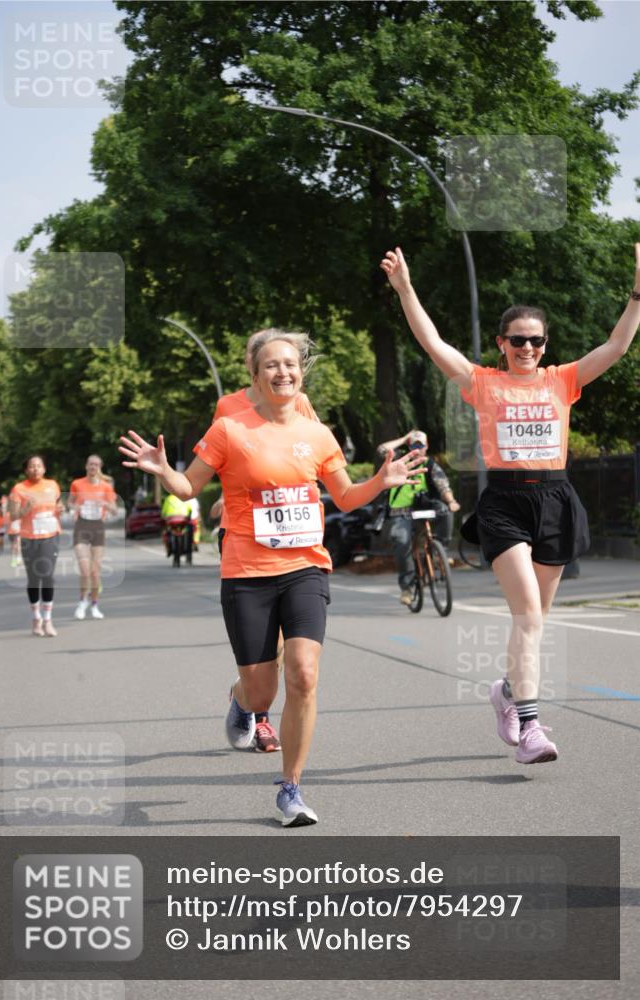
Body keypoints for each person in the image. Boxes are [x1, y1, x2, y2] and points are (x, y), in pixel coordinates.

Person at [119, 329, 422, 826]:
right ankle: (241, 702)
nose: (283, 372)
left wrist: (379, 482)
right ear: (255, 377)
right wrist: (163, 471)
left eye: (290, 364)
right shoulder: (230, 428)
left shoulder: (317, 434)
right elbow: (189, 486)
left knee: (303, 673)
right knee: (262, 693)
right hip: (246, 570)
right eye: (271, 366)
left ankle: (291, 788)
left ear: (300, 371)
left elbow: (344, 497)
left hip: (305, 566)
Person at [381, 243, 640, 765]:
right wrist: (405, 288)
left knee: (535, 620)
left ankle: (505, 690)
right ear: (502, 343)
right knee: (527, 616)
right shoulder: (483, 382)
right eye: (518, 340)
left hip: (555, 498)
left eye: (536, 341)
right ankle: (530, 728)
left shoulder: (563, 380)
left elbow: (615, 346)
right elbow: (433, 343)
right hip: (504, 502)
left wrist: (636, 293)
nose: (527, 348)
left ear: (545, 345)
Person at [212, 329, 320, 754]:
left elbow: (306, 455)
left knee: (285, 644)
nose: (274, 367)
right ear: (253, 367)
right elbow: (222, 461)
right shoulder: (228, 408)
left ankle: (255, 707)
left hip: (294, 540)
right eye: (260, 357)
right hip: (243, 535)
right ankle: (256, 712)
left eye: (282, 359)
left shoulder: (299, 403)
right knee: (263, 647)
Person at [377, 429, 460, 604]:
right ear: (409, 446)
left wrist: (451, 501)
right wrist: (404, 438)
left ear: (426, 446)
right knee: (401, 541)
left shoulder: (429, 464)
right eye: (413, 445)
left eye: (420, 445)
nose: (417, 449)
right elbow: (382, 450)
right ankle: (407, 588)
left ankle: (440, 553)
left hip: (425, 507)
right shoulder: (399, 461)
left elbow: (443, 484)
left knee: (445, 511)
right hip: (402, 512)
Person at [8, 455, 63, 637]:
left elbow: (58, 506)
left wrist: (60, 510)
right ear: (26, 470)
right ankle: (36, 617)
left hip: (50, 536)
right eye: (31, 466)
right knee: (33, 579)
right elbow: (14, 516)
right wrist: (26, 509)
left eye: (39, 466)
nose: (35, 469)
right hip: (29, 538)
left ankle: (48, 619)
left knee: (47, 577)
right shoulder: (19, 489)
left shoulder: (52, 485)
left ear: (44, 469)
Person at [69, 456, 117, 620]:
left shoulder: (106, 487)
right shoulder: (77, 484)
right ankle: (83, 602)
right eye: (90, 464)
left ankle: (94, 604)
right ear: (86, 466)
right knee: (84, 569)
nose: (93, 467)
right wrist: (74, 507)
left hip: (98, 527)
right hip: (81, 526)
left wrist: (106, 505)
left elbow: (115, 510)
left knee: (95, 572)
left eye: (96, 464)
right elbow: (70, 502)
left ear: (100, 467)